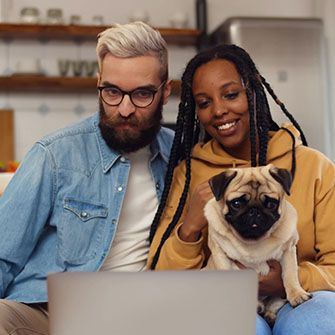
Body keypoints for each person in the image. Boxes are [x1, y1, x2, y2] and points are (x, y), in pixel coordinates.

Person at [147, 44, 335, 335]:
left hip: (300, 298)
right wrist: (190, 228)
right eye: (204, 102)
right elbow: (161, 281)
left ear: (254, 91)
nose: (219, 110)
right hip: (228, 301)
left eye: (231, 94)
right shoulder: (189, 176)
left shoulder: (314, 167)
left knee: (317, 323)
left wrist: (288, 279)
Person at [0, 21, 173, 334]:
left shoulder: (181, 156)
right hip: (50, 313)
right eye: (112, 92)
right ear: (99, 83)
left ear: (165, 92)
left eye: (142, 94)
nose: (124, 108)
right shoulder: (54, 155)